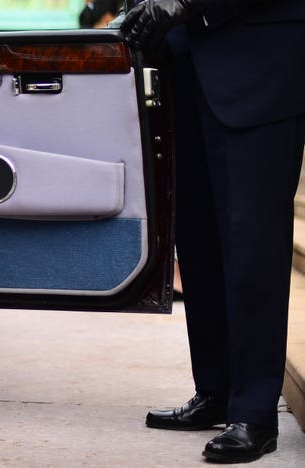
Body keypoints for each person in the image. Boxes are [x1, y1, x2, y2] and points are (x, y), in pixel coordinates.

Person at [120, 0, 305, 463]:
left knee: (254, 244)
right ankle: (217, 392)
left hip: (259, 58)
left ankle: (255, 413)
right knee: (198, 241)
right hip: (185, 60)